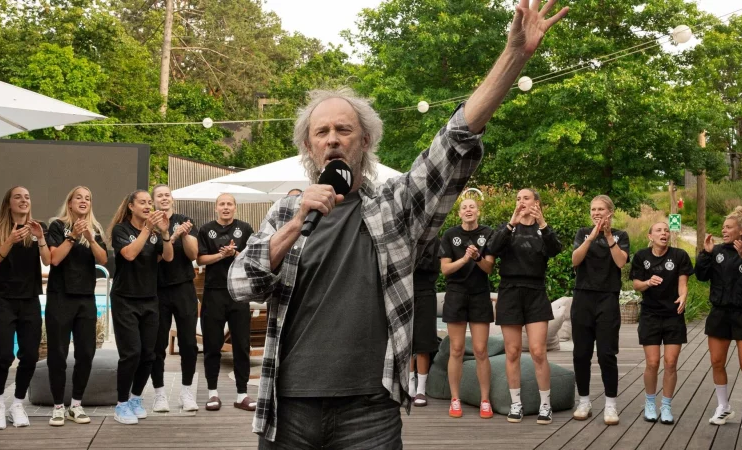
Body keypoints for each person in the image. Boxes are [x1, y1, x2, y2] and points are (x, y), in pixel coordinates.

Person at [228, 2, 569, 445]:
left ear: (364, 141)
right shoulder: (284, 214)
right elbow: (241, 285)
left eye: (344, 130)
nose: (333, 138)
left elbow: (455, 141)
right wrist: (295, 224)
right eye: (322, 132)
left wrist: (515, 56)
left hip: (370, 410)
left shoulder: (394, 206)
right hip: (288, 406)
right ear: (310, 148)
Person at [487, 188, 562, 424]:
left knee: (539, 352)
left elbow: (555, 250)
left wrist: (542, 223)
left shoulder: (543, 229)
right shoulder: (507, 227)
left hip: (535, 292)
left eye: (526, 198)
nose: (521, 202)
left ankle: (545, 405)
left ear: (536, 203)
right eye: (518, 198)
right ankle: (516, 404)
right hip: (509, 291)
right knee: (512, 352)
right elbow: (493, 248)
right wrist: (511, 223)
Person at [0, 186, 51, 429]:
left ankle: (17, 403)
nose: (24, 200)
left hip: (30, 299)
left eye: (27, 196)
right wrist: (10, 241)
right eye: (18, 197)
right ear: (8, 203)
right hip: (4, 299)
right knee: (2, 355)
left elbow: (47, 260)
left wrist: (41, 238)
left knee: (30, 355)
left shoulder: (37, 228)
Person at [108, 190, 173, 425]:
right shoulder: (121, 230)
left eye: (149, 202)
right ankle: (121, 404)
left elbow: (167, 257)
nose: (148, 206)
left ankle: (136, 398)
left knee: (149, 353)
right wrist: (147, 230)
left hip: (149, 299)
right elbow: (129, 254)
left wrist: (165, 234)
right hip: (125, 299)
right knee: (131, 353)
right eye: (143, 202)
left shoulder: (155, 234)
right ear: (131, 207)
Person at [45, 186, 108, 426]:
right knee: (58, 354)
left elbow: (103, 259)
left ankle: (76, 404)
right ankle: (58, 406)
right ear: (70, 202)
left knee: (86, 353)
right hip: (60, 298)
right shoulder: (57, 226)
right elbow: (55, 259)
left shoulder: (95, 228)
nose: (84, 201)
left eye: (88, 198)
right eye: (79, 197)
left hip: (85, 299)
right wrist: (72, 236)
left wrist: (90, 237)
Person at [570, 195, 629, 425]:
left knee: (606, 354)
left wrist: (606, 235)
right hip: (583, 297)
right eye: (593, 209)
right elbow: (575, 260)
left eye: (601, 209)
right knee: (581, 353)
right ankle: (584, 400)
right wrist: (591, 237)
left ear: (610, 213)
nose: (596, 213)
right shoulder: (582, 233)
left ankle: (611, 405)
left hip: (608, 298)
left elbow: (621, 262)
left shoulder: (620, 235)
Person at [630, 221, 693, 425]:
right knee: (653, 362)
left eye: (666, 230)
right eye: (658, 230)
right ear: (650, 236)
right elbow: (636, 284)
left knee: (671, 363)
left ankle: (666, 405)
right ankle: (650, 403)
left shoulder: (679, 255)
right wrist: (648, 282)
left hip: (673, 314)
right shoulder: (641, 256)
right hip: (650, 315)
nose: (663, 233)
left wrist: (683, 296)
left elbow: (683, 284)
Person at [197, 194, 254, 412]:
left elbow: (252, 258)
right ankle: (212, 393)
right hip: (214, 293)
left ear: (235, 208)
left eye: (230, 204)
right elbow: (201, 259)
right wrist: (221, 256)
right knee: (212, 345)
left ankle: (242, 394)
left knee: (241, 344)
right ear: (216, 208)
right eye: (222, 204)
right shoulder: (206, 230)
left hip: (238, 293)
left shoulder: (245, 229)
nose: (226, 207)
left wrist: (235, 253)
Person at [439, 198, 496, 419]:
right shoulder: (450, 234)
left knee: (481, 350)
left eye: (472, 206)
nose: (468, 210)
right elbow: (445, 269)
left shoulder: (488, 233)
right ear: (459, 214)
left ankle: (485, 400)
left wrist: (477, 257)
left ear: (478, 211)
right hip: (456, 295)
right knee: (456, 349)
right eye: (464, 207)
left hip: (480, 295)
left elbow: (489, 268)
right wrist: (464, 259)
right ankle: (455, 399)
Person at [149, 184, 200, 413]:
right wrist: (171, 235)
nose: (164, 199)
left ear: (172, 199)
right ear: (153, 201)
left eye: (167, 195)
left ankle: (187, 391)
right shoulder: (148, 224)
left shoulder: (184, 219)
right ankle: (159, 393)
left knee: (189, 343)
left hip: (183, 288)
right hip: (157, 289)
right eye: (159, 196)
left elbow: (193, 255)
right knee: (157, 344)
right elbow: (150, 259)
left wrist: (185, 235)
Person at [696, 206, 742, 427]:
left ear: (741, 230)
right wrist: (705, 253)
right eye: (723, 227)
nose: (724, 230)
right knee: (717, 361)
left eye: (729, 227)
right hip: (719, 313)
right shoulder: (716, 251)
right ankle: (723, 407)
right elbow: (701, 276)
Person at [408, 236, 441, 408]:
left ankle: (421, 388)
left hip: (425, 293)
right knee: (405, 341)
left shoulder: (433, 239)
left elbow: (432, 266)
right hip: (404, 291)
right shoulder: (404, 235)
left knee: (423, 342)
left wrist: (410, 259)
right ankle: (409, 386)